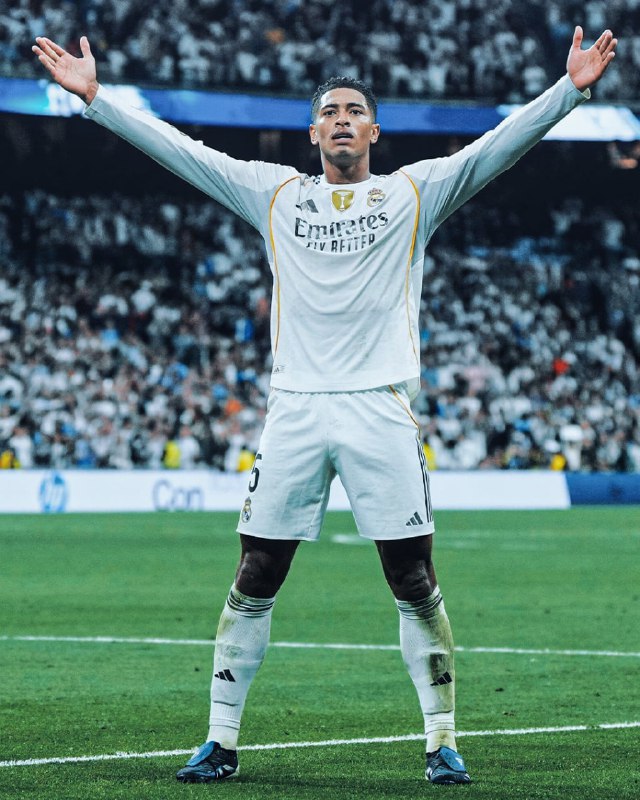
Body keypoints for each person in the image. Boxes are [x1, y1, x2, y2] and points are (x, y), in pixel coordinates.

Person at [33, 25, 617, 786]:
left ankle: (441, 739)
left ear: (374, 131)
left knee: (413, 578)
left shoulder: (412, 192)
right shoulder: (275, 193)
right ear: (313, 133)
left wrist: (568, 92)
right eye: (330, 112)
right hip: (297, 409)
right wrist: (97, 100)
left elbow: (494, 149)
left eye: (355, 111)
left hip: (380, 406)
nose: (342, 120)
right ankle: (220, 740)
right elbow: (184, 153)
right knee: (256, 570)